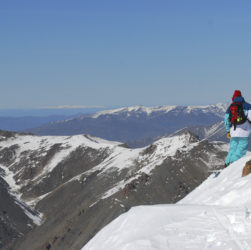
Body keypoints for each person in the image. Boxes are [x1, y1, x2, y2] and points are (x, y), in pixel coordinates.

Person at [224, 90, 251, 166]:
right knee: (240, 150)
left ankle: (227, 163)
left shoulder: (230, 107)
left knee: (232, 149)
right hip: (244, 132)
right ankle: (232, 164)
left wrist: (228, 131)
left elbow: (226, 120)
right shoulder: (247, 106)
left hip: (233, 131)